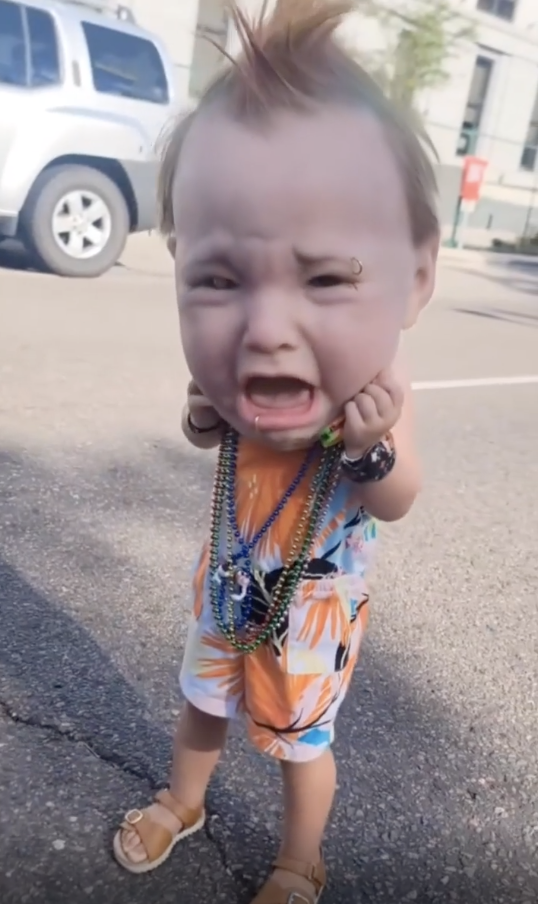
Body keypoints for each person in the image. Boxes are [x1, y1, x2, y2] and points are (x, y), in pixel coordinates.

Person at [112, 0, 439, 900]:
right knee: (202, 702)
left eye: (327, 277)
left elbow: (400, 494)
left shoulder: (381, 388)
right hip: (228, 584)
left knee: (304, 742)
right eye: (219, 279)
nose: (267, 330)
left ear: (415, 278)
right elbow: (211, 439)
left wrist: (370, 450)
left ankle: (302, 855)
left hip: (312, 614)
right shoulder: (247, 383)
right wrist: (205, 422)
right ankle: (186, 799)